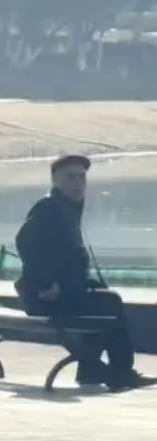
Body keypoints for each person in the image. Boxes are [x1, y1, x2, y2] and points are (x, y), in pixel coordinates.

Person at [15, 154, 150, 392]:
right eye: (71, 177)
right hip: (47, 298)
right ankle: (120, 373)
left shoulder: (66, 209)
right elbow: (24, 241)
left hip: (63, 294)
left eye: (81, 177)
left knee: (101, 299)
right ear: (56, 181)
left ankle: (90, 370)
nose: (78, 183)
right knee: (111, 303)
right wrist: (45, 284)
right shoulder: (49, 208)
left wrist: (86, 282)